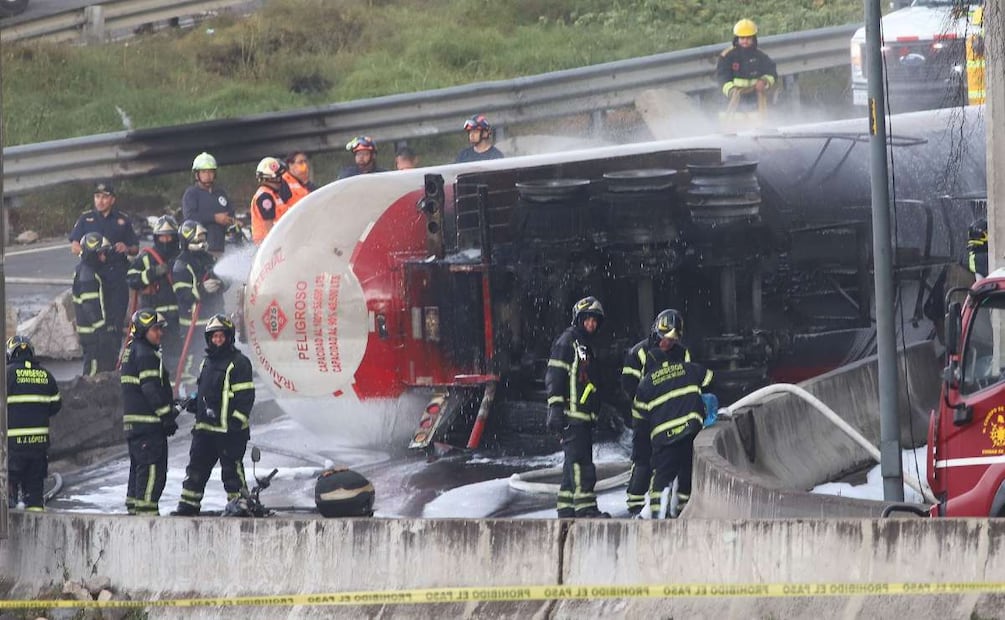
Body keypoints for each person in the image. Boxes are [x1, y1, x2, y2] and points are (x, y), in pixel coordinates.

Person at [633, 314, 714, 519]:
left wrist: (643, 450)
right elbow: (710, 379)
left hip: (663, 437)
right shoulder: (686, 368)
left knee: (661, 479)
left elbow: (639, 421)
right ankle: (681, 515)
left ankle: (656, 520)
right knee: (686, 475)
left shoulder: (645, 384)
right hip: (689, 431)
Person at [174, 314, 256, 516]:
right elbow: (205, 392)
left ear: (229, 338)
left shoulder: (239, 363)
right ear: (209, 339)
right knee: (195, 470)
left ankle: (239, 506)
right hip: (205, 430)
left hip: (230, 432)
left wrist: (236, 423)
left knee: (232, 474)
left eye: (221, 336)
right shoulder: (206, 363)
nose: (217, 340)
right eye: (214, 337)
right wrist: (196, 405)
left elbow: (245, 397)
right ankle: (188, 506)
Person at [620, 309, 691, 517]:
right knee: (643, 461)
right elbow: (628, 386)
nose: (667, 343)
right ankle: (635, 505)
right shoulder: (639, 353)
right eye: (664, 338)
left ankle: (671, 507)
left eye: (672, 339)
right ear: (656, 332)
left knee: (673, 463)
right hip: (645, 418)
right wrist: (647, 406)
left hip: (672, 418)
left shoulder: (682, 354)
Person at [545, 296, 609, 519]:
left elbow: (586, 379)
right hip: (572, 416)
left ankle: (567, 508)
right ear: (579, 319)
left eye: (595, 321)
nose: (591, 325)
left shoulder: (584, 346)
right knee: (582, 464)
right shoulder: (567, 342)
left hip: (582, 416)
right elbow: (555, 375)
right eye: (588, 320)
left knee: (571, 465)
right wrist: (555, 409)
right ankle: (585, 509)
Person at [120, 308, 179, 515]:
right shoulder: (146, 354)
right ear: (143, 330)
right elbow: (150, 388)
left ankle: (134, 511)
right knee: (153, 473)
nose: (160, 333)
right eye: (155, 330)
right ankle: (146, 518)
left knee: (139, 471)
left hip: (135, 426)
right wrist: (166, 416)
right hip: (149, 427)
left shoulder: (131, 351)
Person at [68, 181, 139, 335]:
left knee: (116, 322)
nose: (100, 201)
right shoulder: (86, 219)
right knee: (95, 318)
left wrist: (126, 248)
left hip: (117, 276)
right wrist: (88, 255)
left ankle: (114, 354)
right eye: (97, 196)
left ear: (112, 200)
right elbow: (74, 246)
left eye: (105, 197)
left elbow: (135, 248)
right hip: (94, 276)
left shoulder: (122, 220)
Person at [6, 336, 61, 512]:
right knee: (35, 495)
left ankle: (10, 528)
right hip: (38, 446)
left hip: (12, 447)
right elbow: (55, 406)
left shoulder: (6, 374)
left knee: (8, 492)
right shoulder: (46, 375)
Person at [173, 220, 227, 391]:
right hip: (194, 323)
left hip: (213, 318)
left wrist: (221, 283)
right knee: (193, 359)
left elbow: (225, 280)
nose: (202, 242)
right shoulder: (181, 264)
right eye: (198, 238)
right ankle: (190, 393)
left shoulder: (209, 258)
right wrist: (201, 289)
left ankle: (215, 390)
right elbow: (183, 294)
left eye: (204, 238)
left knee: (218, 357)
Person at [126, 215, 182, 372]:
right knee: (153, 355)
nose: (165, 240)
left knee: (176, 357)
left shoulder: (181, 256)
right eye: (162, 236)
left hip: (178, 316)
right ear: (156, 237)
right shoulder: (147, 257)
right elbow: (131, 278)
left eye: (169, 236)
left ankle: (176, 388)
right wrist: (153, 273)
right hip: (153, 317)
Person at [72, 232, 120, 375]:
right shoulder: (88, 275)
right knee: (93, 370)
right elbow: (90, 306)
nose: (103, 258)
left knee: (104, 366)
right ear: (92, 254)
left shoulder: (88, 270)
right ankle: (88, 394)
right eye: (100, 254)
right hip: (93, 334)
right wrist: (102, 330)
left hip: (94, 332)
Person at [716, 19, 777, 111]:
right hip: (733, 100)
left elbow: (772, 73)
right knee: (733, 123)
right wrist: (731, 91)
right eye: (742, 38)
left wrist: (764, 81)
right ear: (737, 39)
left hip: (756, 98)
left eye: (748, 38)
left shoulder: (760, 55)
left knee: (760, 122)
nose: (745, 41)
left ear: (753, 39)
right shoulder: (727, 56)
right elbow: (722, 77)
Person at [182, 152, 234, 258]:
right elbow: (189, 217)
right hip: (201, 250)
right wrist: (214, 218)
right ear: (197, 174)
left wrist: (231, 220)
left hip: (222, 247)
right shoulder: (191, 194)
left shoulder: (221, 193)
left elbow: (231, 212)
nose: (208, 175)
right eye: (204, 172)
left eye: (211, 172)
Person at [250, 157, 287, 245]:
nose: (281, 180)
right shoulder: (265, 197)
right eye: (278, 177)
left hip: (274, 241)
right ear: (271, 178)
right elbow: (269, 225)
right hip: (267, 244)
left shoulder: (272, 194)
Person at [278, 150, 316, 216]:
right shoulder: (283, 183)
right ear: (291, 165)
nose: (305, 165)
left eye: (305, 161)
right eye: (300, 162)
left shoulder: (307, 184)